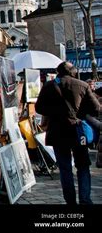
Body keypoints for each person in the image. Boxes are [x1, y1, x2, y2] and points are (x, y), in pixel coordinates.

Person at [35, 61, 99, 204]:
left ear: (58, 72)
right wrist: (79, 113)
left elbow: (39, 108)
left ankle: (70, 201)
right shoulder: (82, 85)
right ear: (72, 71)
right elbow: (96, 108)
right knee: (83, 166)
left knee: (65, 169)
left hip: (57, 132)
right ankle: (85, 199)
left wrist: (55, 113)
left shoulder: (48, 86)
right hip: (77, 131)